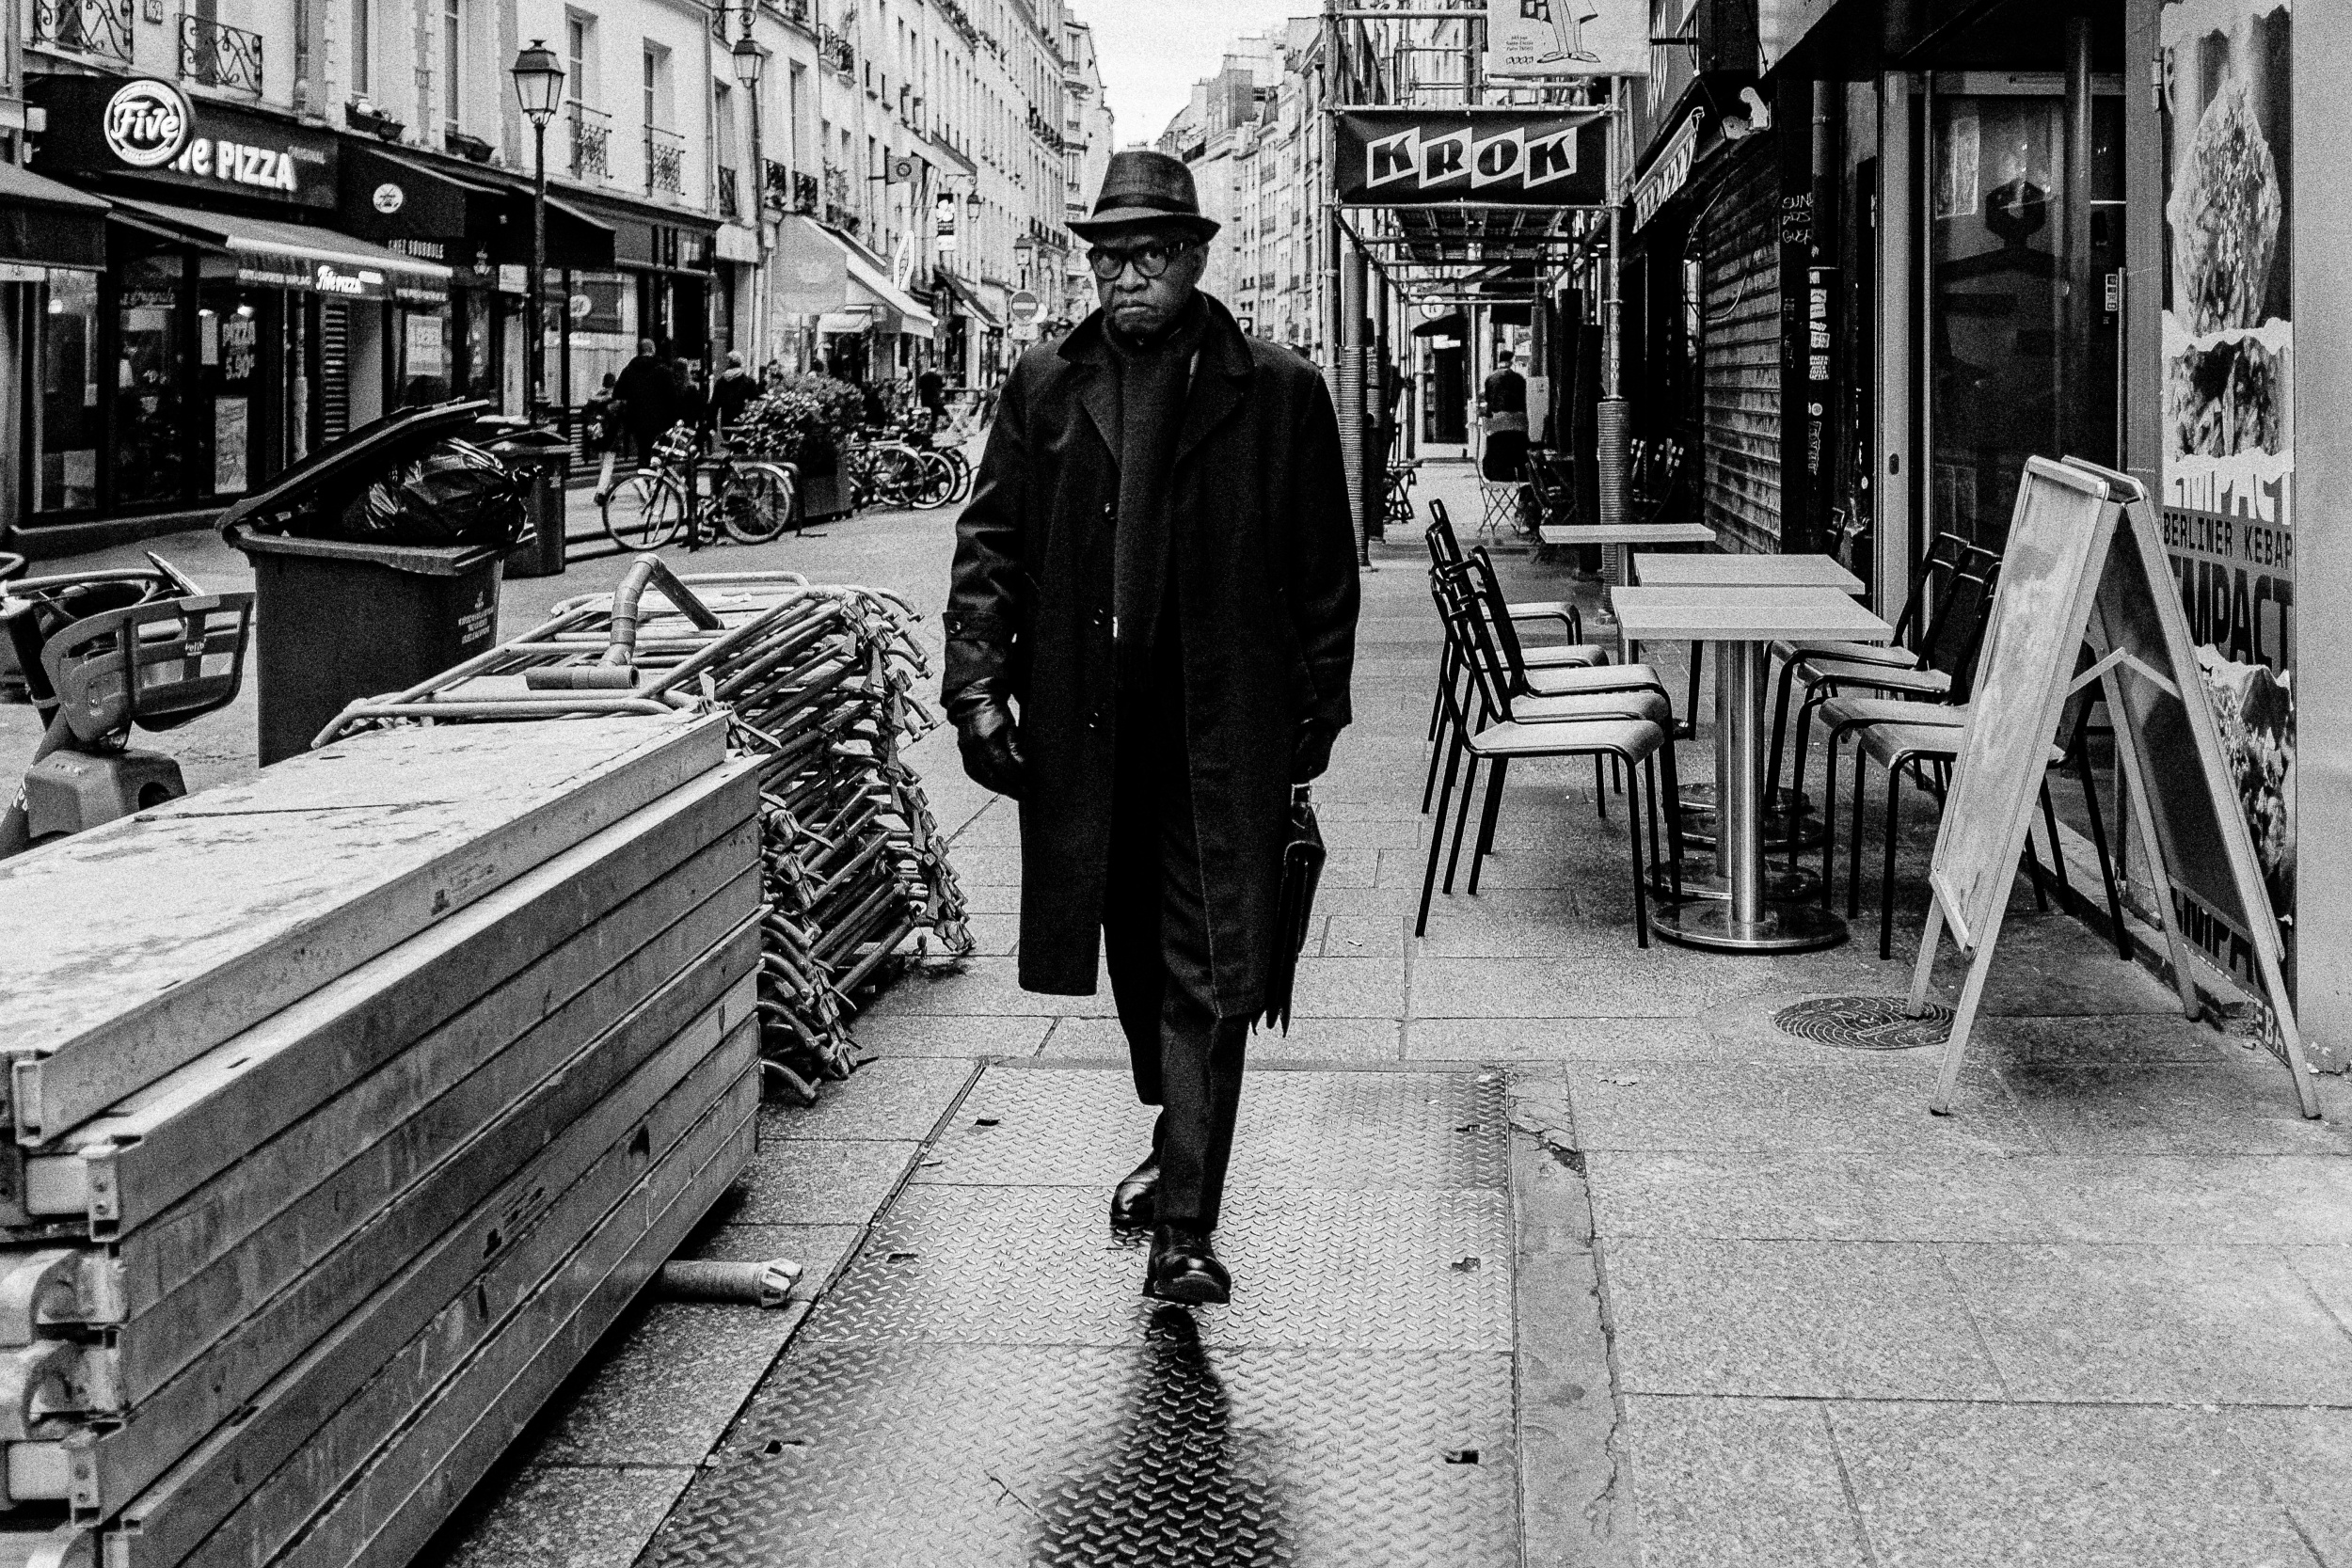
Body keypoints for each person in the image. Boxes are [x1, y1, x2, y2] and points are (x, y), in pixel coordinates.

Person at [943, 149, 1359, 1305]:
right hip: (1089, 727)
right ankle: (1175, 1126)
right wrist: (975, 687)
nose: (1124, 277)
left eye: (1148, 256)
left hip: (1222, 732)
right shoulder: (1045, 382)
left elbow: (1325, 568)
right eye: (1108, 258)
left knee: (1211, 968)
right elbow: (990, 546)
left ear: (1194, 259)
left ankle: (1186, 1226)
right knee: (1132, 954)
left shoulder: (1275, 389)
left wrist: (1317, 707)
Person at [612, 339, 676, 465]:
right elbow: (672, 397)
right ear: (653, 350)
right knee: (659, 454)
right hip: (660, 421)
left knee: (643, 451)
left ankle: (643, 471)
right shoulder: (663, 370)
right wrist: (672, 420)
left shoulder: (629, 370)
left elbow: (617, 394)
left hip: (636, 420)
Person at [1480, 344, 1529, 481]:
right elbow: (1523, 400)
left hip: (1496, 420)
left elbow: (1488, 399)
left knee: (1496, 447)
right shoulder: (1518, 378)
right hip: (1518, 420)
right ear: (1512, 361)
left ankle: (1498, 473)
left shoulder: (1490, 378)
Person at [710, 351, 759, 437]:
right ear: (741, 364)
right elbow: (755, 403)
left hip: (726, 423)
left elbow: (714, 405)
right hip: (744, 423)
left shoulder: (720, 383)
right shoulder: (749, 382)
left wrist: (712, 426)